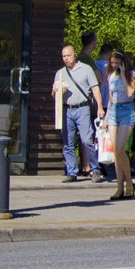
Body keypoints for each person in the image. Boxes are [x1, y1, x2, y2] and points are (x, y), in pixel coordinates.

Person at [52, 43, 104, 183]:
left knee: (87, 140)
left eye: (68, 55)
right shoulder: (60, 73)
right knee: (68, 142)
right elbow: (54, 93)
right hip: (66, 109)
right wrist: (56, 92)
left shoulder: (86, 69)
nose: (66, 58)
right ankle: (72, 171)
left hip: (82, 108)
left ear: (75, 55)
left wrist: (100, 107)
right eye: (63, 56)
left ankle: (96, 169)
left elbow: (95, 89)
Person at [103, 50, 135, 200]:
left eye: (117, 63)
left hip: (126, 110)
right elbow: (110, 97)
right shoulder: (110, 75)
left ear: (123, 62)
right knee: (115, 153)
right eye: (112, 63)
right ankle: (119, 187)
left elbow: (129, 93)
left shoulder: (132, 74)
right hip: (113, 110)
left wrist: (123, 74)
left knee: (120, 149)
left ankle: (129, 183)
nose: (114, 65)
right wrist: (105, 117)